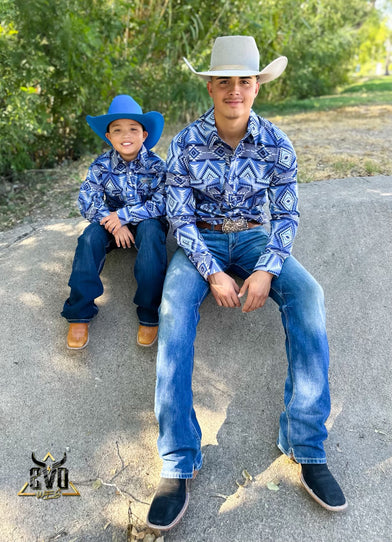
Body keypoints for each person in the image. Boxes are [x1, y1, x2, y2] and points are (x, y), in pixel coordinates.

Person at [146, 36, 347, 530]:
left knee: (309, 296)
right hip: (204, 245)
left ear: (257, 87)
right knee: (173, 307)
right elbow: (179, 214)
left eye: (245, 80)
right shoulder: (186, 143)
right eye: (225, 81)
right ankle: (177, 461)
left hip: (257, 241)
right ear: (211, 87)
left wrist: (268, 268)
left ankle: (306, 443)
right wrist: (211, 270)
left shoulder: (278, 143)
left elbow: (286, 214)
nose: (235, 89)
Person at [61, 95, 168, 349]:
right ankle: (79, 312)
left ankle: (149, 311)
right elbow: (87, 200)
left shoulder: (156, 166)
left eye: (133, 129)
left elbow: (164, 203)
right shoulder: (100, 166)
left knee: (152, 232)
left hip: (147, 222)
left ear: (144, 134)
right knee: (89, 238)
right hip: (110, 223)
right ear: (109, 137)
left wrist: (124, 216)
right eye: (117, 130)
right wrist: (114, 223)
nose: (125, 135)